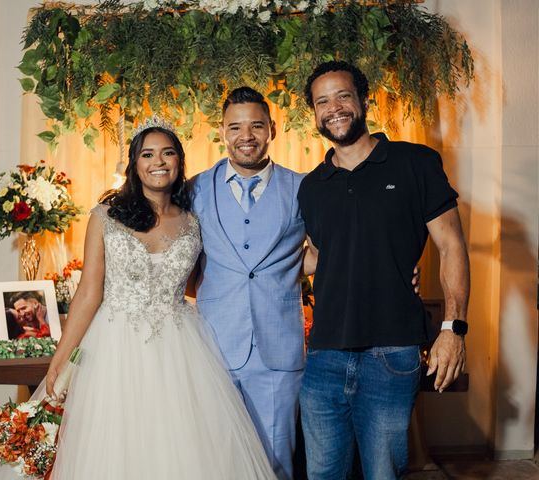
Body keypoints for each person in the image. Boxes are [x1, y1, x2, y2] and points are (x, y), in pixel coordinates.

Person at [39, 119, 274, 478]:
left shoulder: (193, 222)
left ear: (179, 161)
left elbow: (200, 283)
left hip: (180, 350)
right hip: (114, 348)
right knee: (117, 445)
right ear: (134, 164)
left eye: (167, 153)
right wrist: (61, 357)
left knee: (181, 448)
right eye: (147, 154)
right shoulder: (105, 217)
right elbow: (88, 292)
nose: (158, 162)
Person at [298, 61, 470, 479]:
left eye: (343, 96)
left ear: (364, 100)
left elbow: (451, 246)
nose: (333, 108)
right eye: (322, 102)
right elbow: (320, 256)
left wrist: (453, 329)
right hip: (324, 356)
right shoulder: (312, 186)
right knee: (322, 474)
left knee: (382, 474)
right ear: (315, 114)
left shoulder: (415, 163)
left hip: (392, 353)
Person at [189, 87, 307, 479]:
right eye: (236, 127)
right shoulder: (194, 189)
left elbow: (329, 254)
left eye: (256, 125)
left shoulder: (303, 187)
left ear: (272, 129)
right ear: (221, 131)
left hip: (279, 349)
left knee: (277, 461)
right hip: (213, 346)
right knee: (215, 458)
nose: (247, 135)